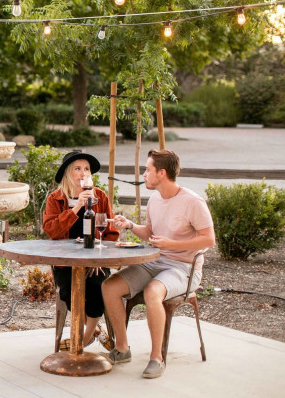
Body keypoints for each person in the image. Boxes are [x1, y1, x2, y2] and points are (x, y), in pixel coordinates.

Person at [102, 149, 215, 379]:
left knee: (153, 292)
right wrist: (131, 226)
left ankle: (157, 358)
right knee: (109, 287)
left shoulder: (193, 202)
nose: (144, 174)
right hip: (155, 262)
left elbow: (209, 239)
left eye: (147, 170)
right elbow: (151, 234)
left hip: (183, 267)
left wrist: (171, 244)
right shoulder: (154, 198)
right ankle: (122, 348)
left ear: (161, 173)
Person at [43, 151, 119, 351]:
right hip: (66, 262)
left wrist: (99, 260)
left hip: (95, 261)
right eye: (77, 169)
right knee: (70, 289)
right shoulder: (56, 199)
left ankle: (83, 340)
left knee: (97, 285)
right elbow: (51, 230)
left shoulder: (99, 196)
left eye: (86, 169)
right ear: (68, 173)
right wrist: (76, 208)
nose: (82, 173)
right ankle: (94, 332)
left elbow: (110, 233)